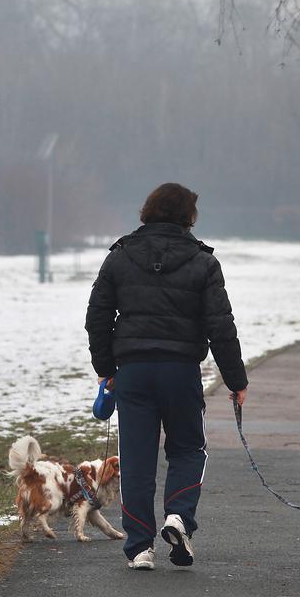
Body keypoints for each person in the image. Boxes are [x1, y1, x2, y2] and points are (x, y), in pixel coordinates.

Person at [85, 183, 248, 570]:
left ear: (148, 211)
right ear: (187, 217)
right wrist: (236, 380)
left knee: (137, 459)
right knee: (189, 449)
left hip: (134, 373)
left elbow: (97, 318)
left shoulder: (119, 257)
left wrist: (106, 369)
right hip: (180, 371)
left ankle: (140, 547)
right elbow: (220, 327)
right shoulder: (203, 261)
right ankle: (179, 516)